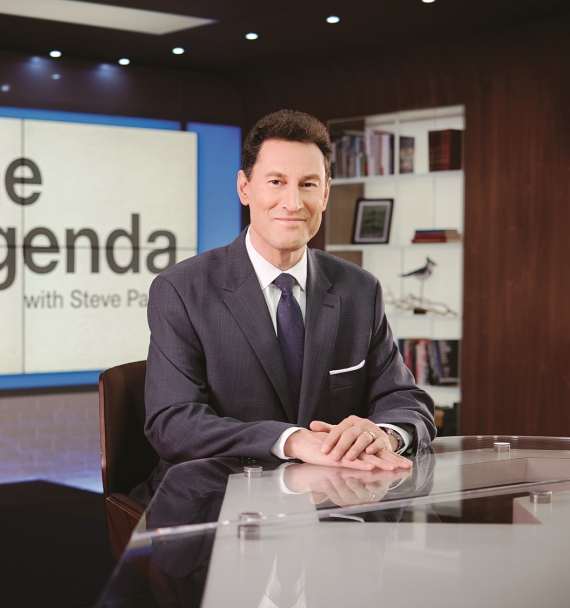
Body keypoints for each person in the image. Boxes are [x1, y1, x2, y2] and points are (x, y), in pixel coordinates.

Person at [144, 109, 435, 471]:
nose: (293, 203)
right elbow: (172, 423)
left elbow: (406, 400)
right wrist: (291, 440)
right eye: (276, 182)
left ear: (325, 193)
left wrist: (385, 434)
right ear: (244, 188)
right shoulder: (182, 290)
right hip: (219, 493)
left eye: (308, 184)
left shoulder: (361, 289)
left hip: (336, 495)